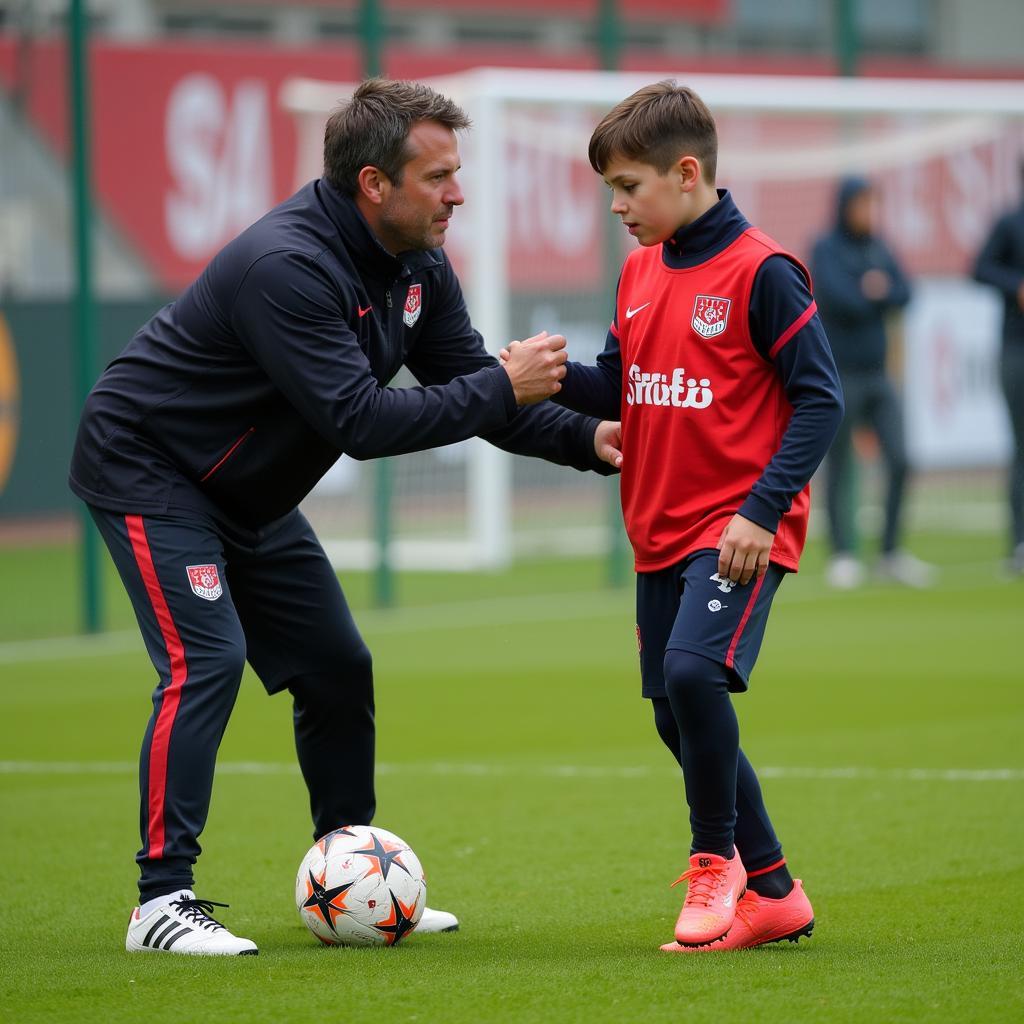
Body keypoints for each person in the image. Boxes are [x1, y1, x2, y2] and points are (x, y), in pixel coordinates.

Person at [69, 78, 621, 956]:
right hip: (150, 468)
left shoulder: (420, 264)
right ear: (373, 183)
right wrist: (496, 386)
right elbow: (360, 422)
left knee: (335, 665)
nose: (458, 193)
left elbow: (476, 396)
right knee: (208, 658)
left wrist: (593, 438)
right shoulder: (287, 266)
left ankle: (353, 878)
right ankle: (159, 904)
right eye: (438, 176)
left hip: (248, 492)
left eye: (457, 172)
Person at [512, 80, 844, 952]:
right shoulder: (639, 268)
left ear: (687, 172)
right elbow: (623, 383)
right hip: (656, 527)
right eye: (612, 191)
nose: (617, 207)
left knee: (696, 678)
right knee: (674, 712)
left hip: (734, 530)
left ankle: (716, 862)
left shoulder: (763, 271)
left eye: (629, 187)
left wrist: (761, 511)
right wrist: (539, 377)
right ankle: (775, 891)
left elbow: (820, 400)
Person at [811, 177, 935, 589]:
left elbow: (905, 292)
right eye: (862, 204)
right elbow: (837, 298)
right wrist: (875, 293)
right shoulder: (825, 246)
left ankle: (889, 553)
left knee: (901, 458)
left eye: (872, 204)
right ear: (845, 205)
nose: (868, 212)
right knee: (841, 464)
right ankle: (843, 554)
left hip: (879, 375)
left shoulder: (879, 246)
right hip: (840, 376)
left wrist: (877, 292)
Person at [972, 167, 1024, 576]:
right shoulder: (1011, 223)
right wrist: (1016, 286)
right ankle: (1020, 540)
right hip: (1017, 350)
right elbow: (980, 267)